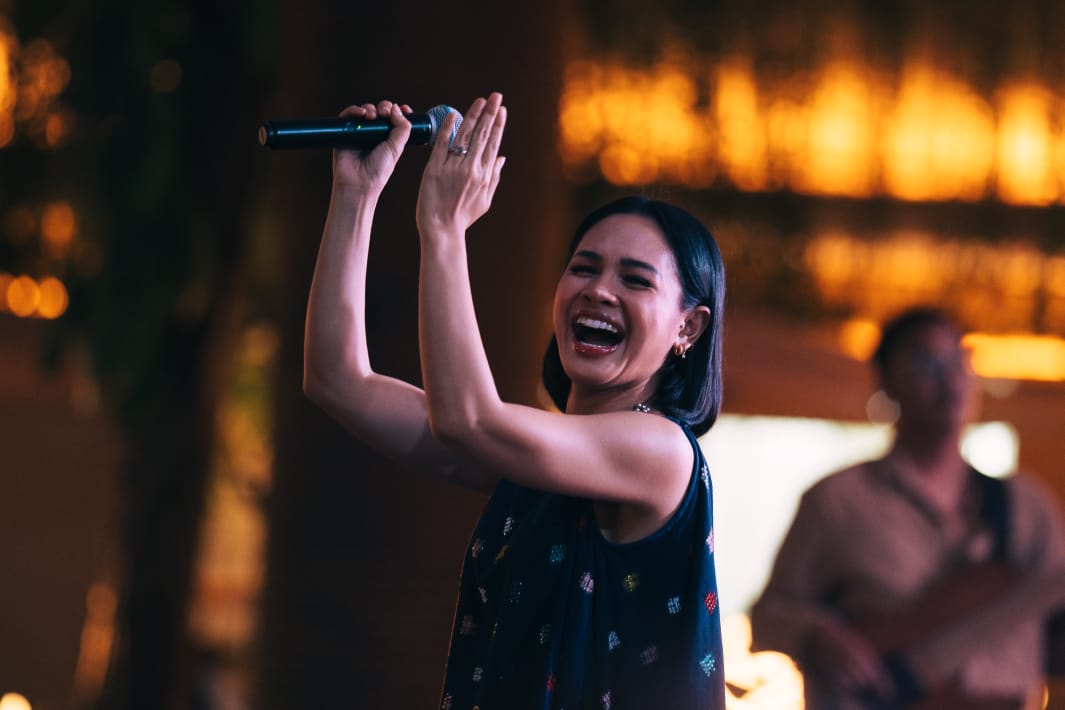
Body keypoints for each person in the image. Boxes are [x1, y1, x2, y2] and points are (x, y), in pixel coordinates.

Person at [302, 92, 727, 709]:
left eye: (635, 280)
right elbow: (337, 380)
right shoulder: (536, 466)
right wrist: (356, 195)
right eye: (584, 269)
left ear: (688, 327)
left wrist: (444, 227)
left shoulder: (661, 451)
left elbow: (468, 419)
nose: (599, 291)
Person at [749, 307, 1065, 710]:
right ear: (887, 383)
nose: (950, 379)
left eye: (959, 360)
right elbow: (769, 616)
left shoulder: (1026, 507)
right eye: (925, 363)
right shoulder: (837, 499)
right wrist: (817, 637)